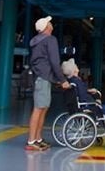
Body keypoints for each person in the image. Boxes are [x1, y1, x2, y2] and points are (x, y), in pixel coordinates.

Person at [26, 16, 71, 151]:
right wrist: (62, 80)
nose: (51, 23)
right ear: (46, 27)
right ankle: (31, 141)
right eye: (49, 22)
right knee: (39, 109)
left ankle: (38, 138)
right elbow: (54, 61)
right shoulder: (50, 40)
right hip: (44, 77)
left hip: (41, 77)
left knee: (43, 108)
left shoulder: (37, 41)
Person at [61, 58, 105, 143]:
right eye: (75, 66)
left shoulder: (72, 82)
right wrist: (96, 101)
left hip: (79, 107)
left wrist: (88, 90)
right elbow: (83, 96)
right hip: (88, 106)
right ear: (74, 70)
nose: (77, 66)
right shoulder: (77, 81)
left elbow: (80, 92)